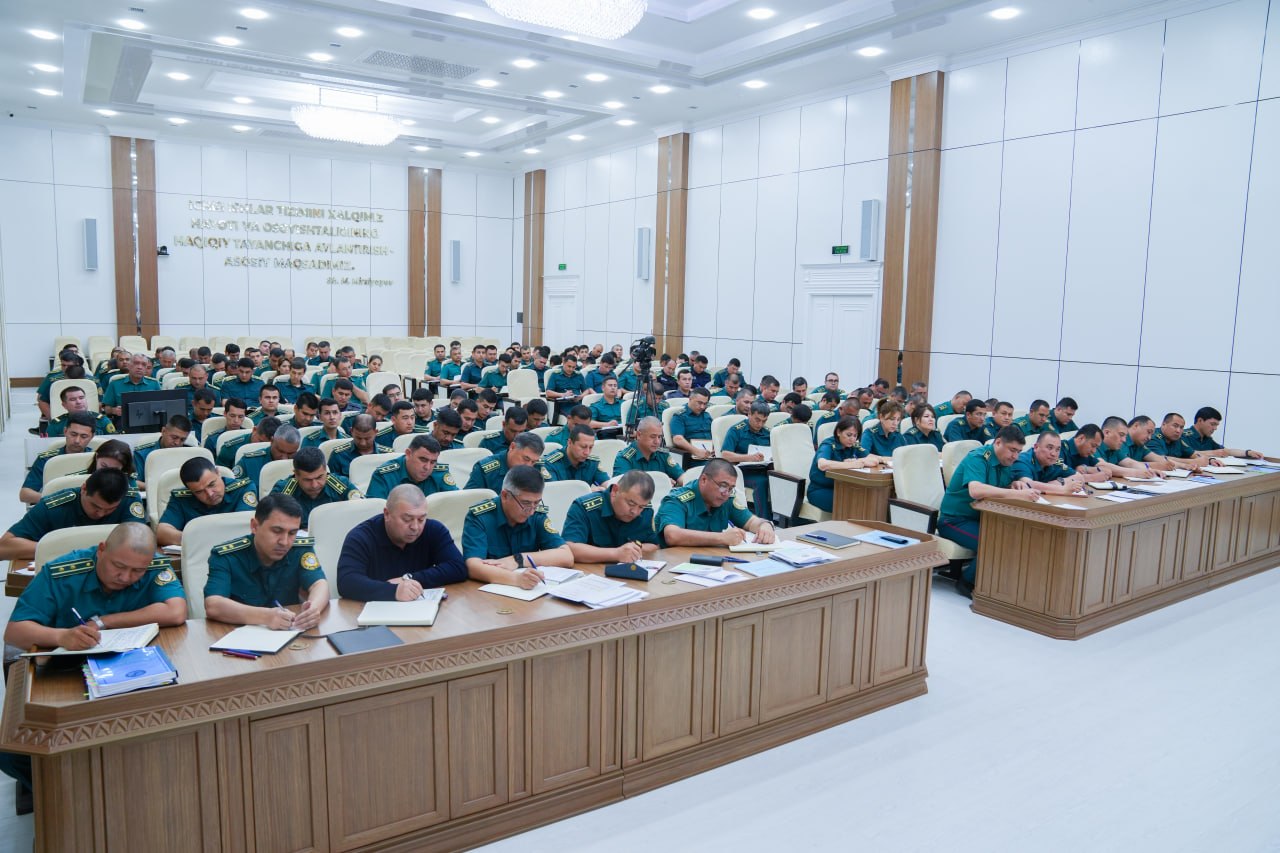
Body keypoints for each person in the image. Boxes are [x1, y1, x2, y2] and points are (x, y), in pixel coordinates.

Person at [0, 522, 186, 805]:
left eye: (137, 571)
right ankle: (66, 803)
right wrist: (61, 635)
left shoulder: (154, 566)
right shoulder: (62, 572)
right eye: (118, 566)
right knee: (12, 751)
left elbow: (175, 612)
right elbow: (15, 632)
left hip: (136, 671)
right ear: (101, 550)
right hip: (68, 676)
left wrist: (104, 621)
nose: (126, 577)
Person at [937, 426, 1038, 597]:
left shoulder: (1005, 462)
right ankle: (967, 582)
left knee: (1017, 536)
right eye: (1012, 450)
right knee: (995, 542)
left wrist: (1013, 485)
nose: (1015, 456)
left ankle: (998, 583)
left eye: (1019, 452)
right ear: (998, 443)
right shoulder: (978, 458)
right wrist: (1017, 494)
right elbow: (976, 490)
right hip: (954, 521)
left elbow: (997, 487)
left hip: (982, 519)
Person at [203, 494, 327, 629]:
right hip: (236, 633)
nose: (284, 542)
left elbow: (319, 584)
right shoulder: (226, 556)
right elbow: (213, 605)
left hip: (288, 632)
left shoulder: (300, 549)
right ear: (255, 526)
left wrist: (313, 609)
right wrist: (266, 616)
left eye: (292, 533)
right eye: (277, 531)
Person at [336, 485, 466, 601]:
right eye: (407, 519)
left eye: (421, 519)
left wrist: (410, 579)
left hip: (420, 609)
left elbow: (458, 567)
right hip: (372, 612)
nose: (415, 527)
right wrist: (393, 591)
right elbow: (347, 582)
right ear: (387, 514)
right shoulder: (361, 537)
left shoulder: (433, 530)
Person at [462, 465, 576, 589]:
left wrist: (518, 559)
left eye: (536, 503)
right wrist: (516, 579)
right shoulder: (480, 517)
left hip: (529, 591)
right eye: (526, 503)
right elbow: (472, 566)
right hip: (490, 590)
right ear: (505, 496)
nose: (531, 511)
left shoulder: (537, 515)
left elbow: (566, 556)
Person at [0, 469, 145, 563]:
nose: (100, 514)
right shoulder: (54, 506)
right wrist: (62, 549)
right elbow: (4, 547)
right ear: (83, 489)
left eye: (110, 510)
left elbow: (140, 543)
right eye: (95, 506)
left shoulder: (129, 500)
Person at [656, 459, 777, 547]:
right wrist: (722, 538)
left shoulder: (726, 499)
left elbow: (750, 522)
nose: (726, 493)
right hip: (675, 564)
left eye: (731, 488)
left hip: (712, 561)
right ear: (704, 480)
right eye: (723, 486)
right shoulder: (677, 500)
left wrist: (765, 526)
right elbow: (672, 535)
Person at [562, 470, 660, 563]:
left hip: (631, 569)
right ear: (615, 491)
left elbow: (654, 545)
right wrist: (616, 554)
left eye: (641, 507)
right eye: (631, 504)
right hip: (591, 570)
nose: (635, 512)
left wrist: (634, 550)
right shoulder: (584, 507)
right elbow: (570, 547)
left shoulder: (646, 510)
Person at [155, 457, 258, 546]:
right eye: (199, 492)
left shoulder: (243, 489)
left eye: (211, 484)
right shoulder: (181, 498)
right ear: (190, 490)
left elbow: (244, 527)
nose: (210, 494)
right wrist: (196, 540)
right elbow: (162, 532)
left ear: (218, 473)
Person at [807, 416, 889, 512]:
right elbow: (823, 464)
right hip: (820, 490)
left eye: (855, 436)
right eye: (849, 435)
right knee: (854, 503)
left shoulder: (853, 446)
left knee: (868, 498)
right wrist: (853, 464)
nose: (852, 439)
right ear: (838, 432)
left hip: (843, 488)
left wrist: (855, 461)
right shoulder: (828, 445)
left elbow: (873, 460)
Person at [270, 447, 362, 526]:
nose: (314, 485)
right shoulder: (282, 492)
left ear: (326, 470)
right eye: (307, 480)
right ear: (296, 475)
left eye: (319, 477)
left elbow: (362, 512)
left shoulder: (341, 485)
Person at [21, 411, 98, 504]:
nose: (77, 441)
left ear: (92, 437)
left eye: (84, 436)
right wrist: (58, 500)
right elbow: (25, 494)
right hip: (53, 506)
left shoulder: (97, 459)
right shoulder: (46, 459)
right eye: (73, 434)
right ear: (65, 431)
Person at [721, 401, 774, 519]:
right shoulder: (736, 430)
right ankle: (764, 520)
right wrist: (748, 457)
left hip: (764, 469)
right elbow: (725, 455)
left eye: (764, 421)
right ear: (749, 414)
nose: (760, 424)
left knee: (781, 479)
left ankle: (785, 518)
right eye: (757, 420)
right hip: (742, 472)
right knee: (762, 482)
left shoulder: (768, 433)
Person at [367, 435, 457, 499]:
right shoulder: (384, 476)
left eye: (433, 462)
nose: (427, 467)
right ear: (408, 454)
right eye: (423, 460)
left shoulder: (440, 473)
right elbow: (375, 513)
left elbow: (456, 501)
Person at [1009, 432, 1096, 493]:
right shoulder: (1022, 460)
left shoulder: (1055, 462)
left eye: (1057, 449)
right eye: (1049, 448)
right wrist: (1063, 489)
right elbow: (1028, 484)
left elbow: (1079, 478)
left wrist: (1060, 482)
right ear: (1036, 447)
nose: (1054, 454)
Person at [466, 432, 548, 491]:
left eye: (533, 462)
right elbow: (469, 500)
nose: (529, 466)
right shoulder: (485, 470)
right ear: (512, 447)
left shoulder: (538, 465)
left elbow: (548, 491)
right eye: (526, 459)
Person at [613, 417, 684, 483]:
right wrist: (661, 481)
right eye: (653, 437)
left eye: (659, 437)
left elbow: (680, 476)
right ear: (639, 435)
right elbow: (623, 486)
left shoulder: (663, 454)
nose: (657, 442)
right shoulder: (624, 458)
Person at [133, 414, 193, 488]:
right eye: (174, 437)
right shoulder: (142, 454)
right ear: (163, 431)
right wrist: (159, 488)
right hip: (153, 494)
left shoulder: (190, 453)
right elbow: (134, 482)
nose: (177, 443)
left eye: (182, 440)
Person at [1181, 406, 1264, 460]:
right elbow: (1187, 453)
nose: (1215, 428)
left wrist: (1248, 453)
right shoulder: (1183, 435)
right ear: (1200, 420)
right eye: (1212, 424)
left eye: (1216, 425)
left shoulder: (1207, 439)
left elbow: (1226, 451)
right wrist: (1213, 453)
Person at [328, 415, 394, 478]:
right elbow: (332, 481)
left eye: (367, 438)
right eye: (358, 438)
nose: (363, 443)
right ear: (351, 431)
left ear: (376, 432)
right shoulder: (338, 455)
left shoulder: (388, 455)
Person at [234, 425, 301, 486]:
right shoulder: (248, 463)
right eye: (280, 451)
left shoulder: (301, 465)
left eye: (290, 453)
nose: (284, 458)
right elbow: (236, 491)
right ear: (271, 441)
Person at [541, 425, 608, 486]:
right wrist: (588, 491)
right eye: (583, 447)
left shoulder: (593, 462)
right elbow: (553, 491)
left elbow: (607, 485)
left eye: (590, 447)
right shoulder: (550, 464)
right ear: (569, 442)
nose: (587, 452)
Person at [101, 353, 161, 418]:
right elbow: (106, 408)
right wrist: (114, 410)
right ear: (129, 366)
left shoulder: (154, 384)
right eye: (136, 363)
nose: (140, 367)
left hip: (148, 420)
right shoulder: (115, 384)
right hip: (122, 420)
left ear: (146, 368)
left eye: (143, 365)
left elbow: (161, 407)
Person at [45, 385, 116, 437]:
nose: (78, 402)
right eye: (73, 399)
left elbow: (113, 444)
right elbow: (50, 446)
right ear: (64, 405)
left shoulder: (102, 421)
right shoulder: (56, 425)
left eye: (81, 398)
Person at [669, 387, 714, 461]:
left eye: (705, 404)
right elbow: (677, 439)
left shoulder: (707, 415)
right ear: (690, 399)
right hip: (692, 456)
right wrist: (697, 452)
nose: (702, 407)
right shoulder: (680, 416)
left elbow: (714, 435)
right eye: (699, 403)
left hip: (711, 455)